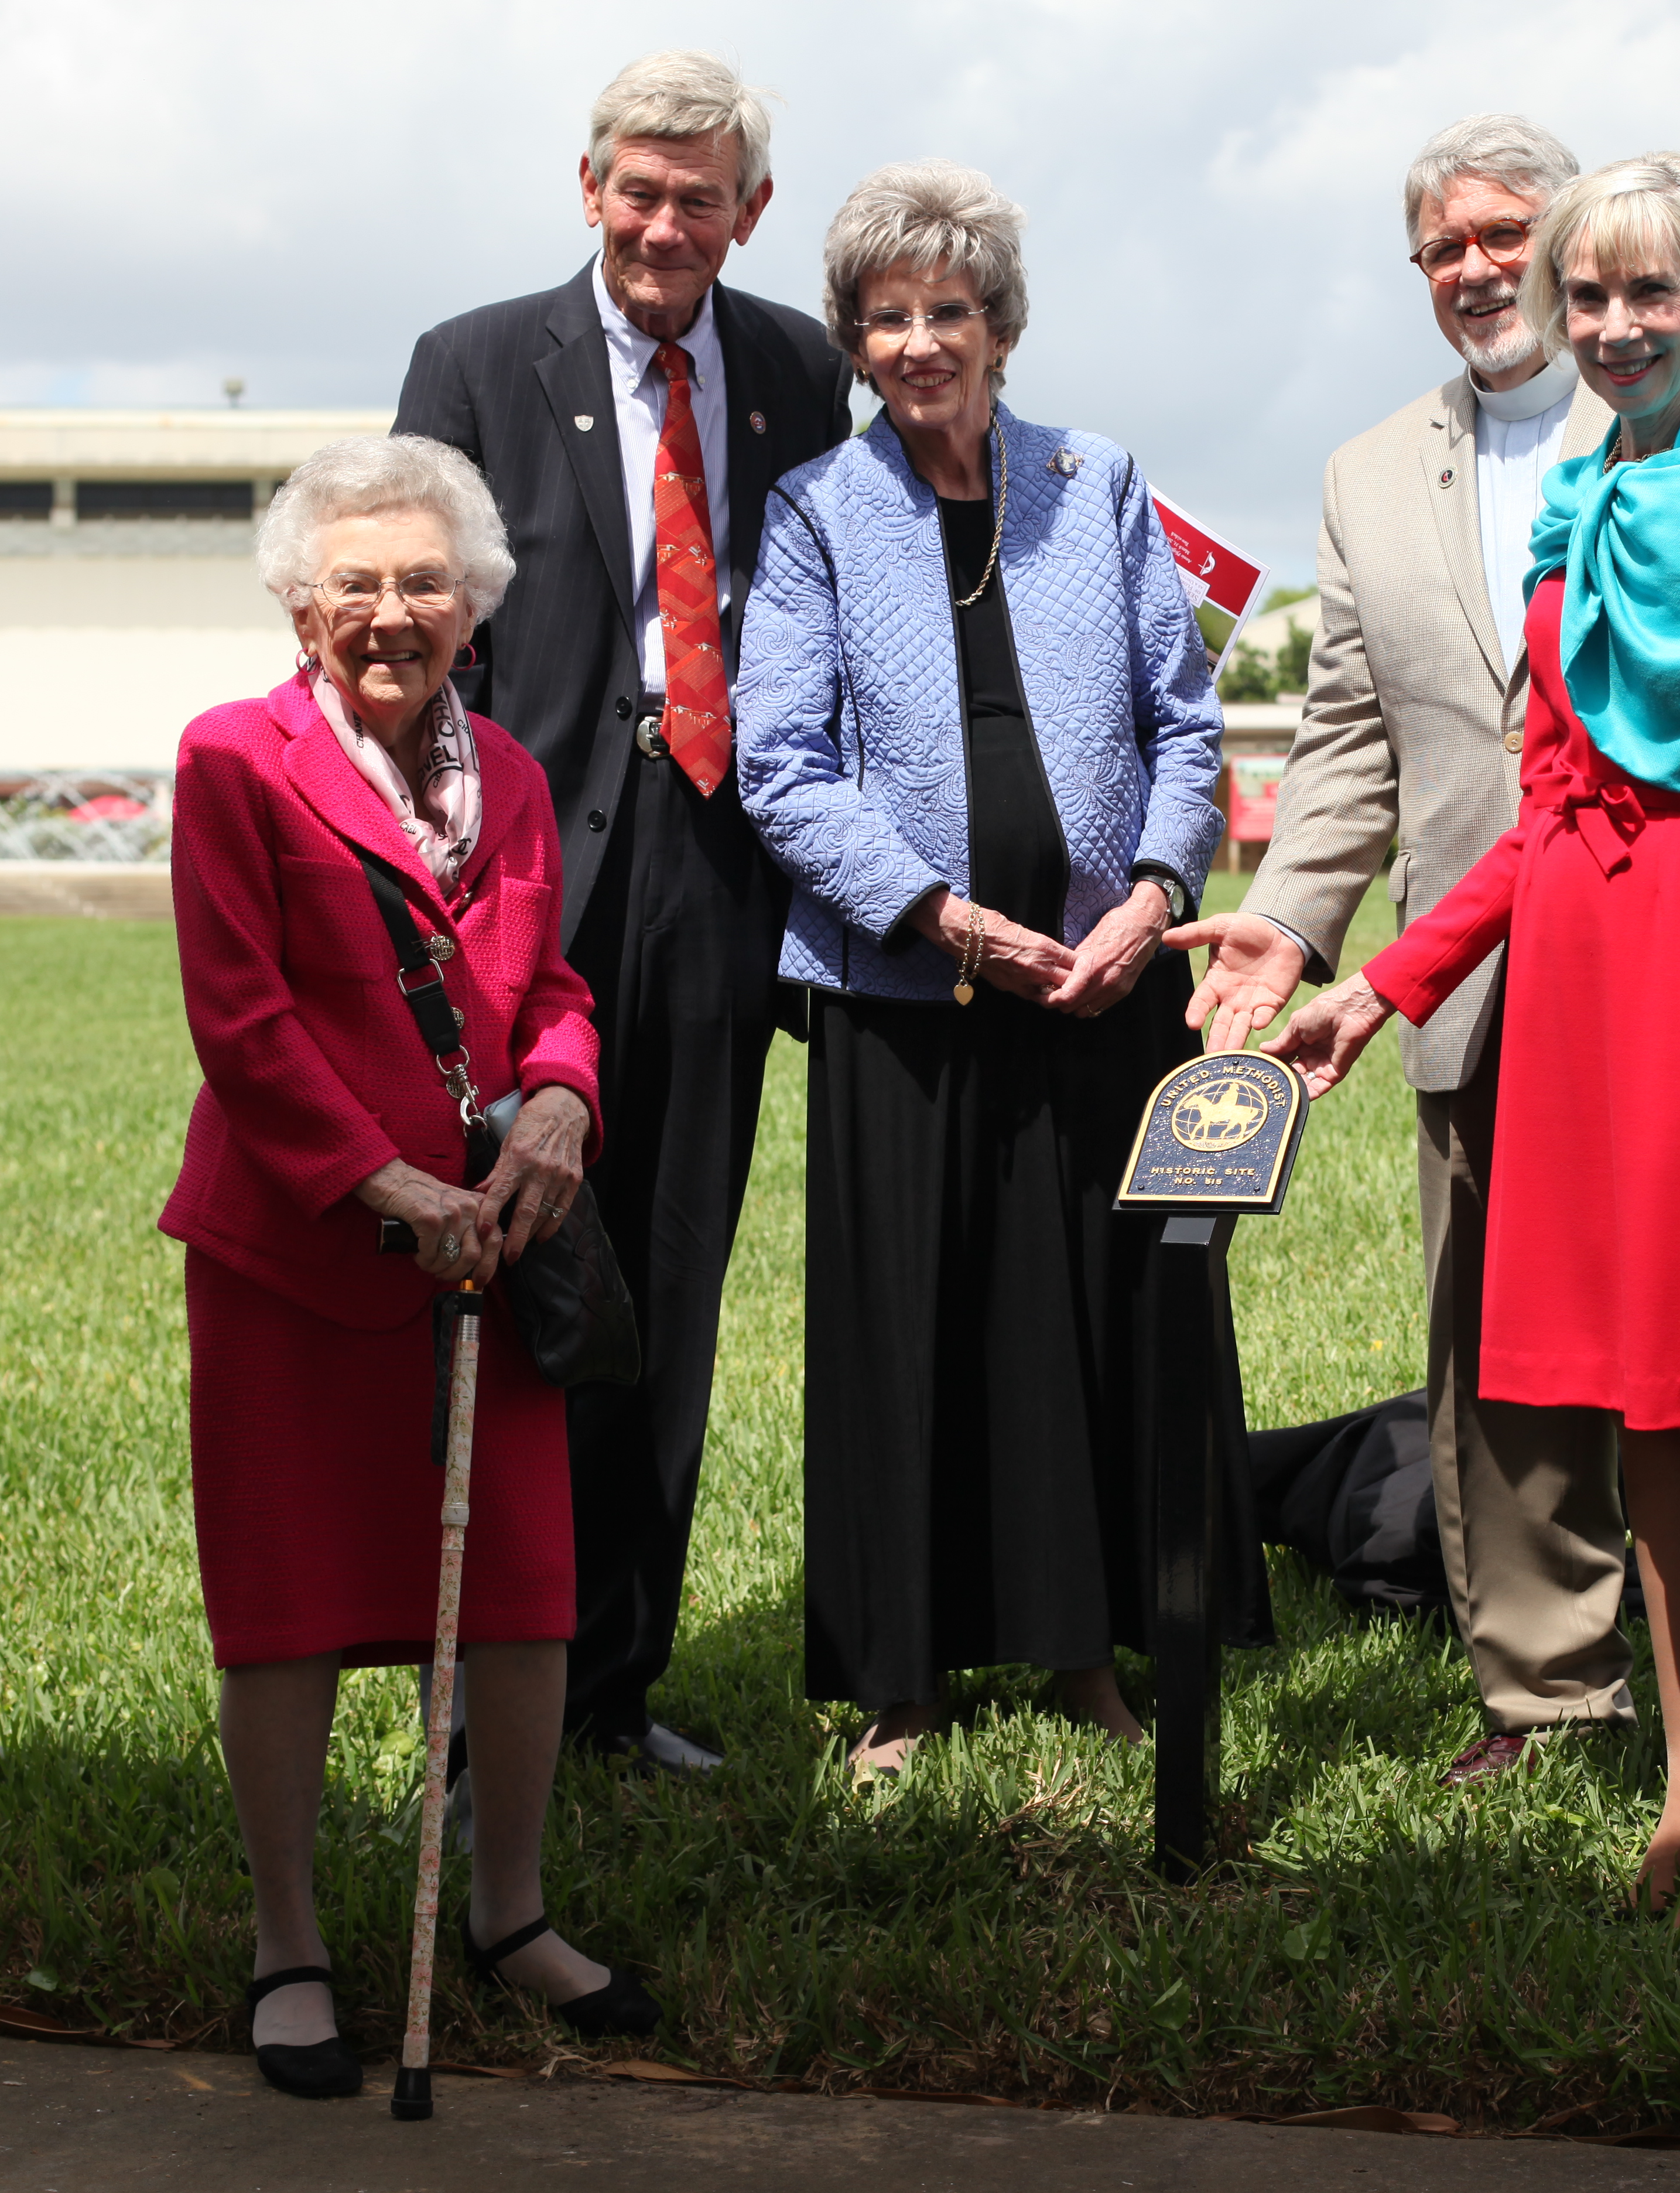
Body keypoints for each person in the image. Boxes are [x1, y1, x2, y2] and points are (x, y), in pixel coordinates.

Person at [1260, 154, 1680, 1915]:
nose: (1616, 328)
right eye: (1592, 300)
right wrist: (1387, 981)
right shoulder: (1586, 510)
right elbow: (1546, 814)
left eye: (1653, 294)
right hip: (1572, 996)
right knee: (1639, 1417)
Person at [159, 434, 662, 2097]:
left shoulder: (509, 777)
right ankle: (289, 1940)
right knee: (289, 1607)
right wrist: (380, 1183)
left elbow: (552, 994)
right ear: (303, 609)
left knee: (522, 1600)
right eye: (356, 583)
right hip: (302, 1254)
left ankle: (510, 1915)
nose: (392, 611)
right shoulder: (232, 761)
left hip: (488, 1252)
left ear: (475, 605)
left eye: (424, 581)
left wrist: (565, 1110)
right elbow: (242, 1017)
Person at [734, 160, 1233, 1778]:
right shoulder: (815, 510)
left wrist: (1152, 900)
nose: (920, 341)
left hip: (1104, 985)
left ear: (1003, 325)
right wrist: (944, 917)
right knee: (910, 1331)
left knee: (1095, 1319)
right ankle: (904, 1683)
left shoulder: (1097, 484)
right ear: (855, 343)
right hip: (909, 989)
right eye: (886, 318)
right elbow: (781, 768)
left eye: (949, 310)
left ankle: (1088, 1651)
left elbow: (1186, 721)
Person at [391, 52, 851, 1775]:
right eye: (640, 192)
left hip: (727, 858)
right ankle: (482, 1673)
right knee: (524, 1265)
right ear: (588, 189)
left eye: (703, 196)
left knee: (672, 1266)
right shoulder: (473, 361)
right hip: (530, 874)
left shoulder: (801, 367)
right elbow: (422, 632)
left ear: (752, 212)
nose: (668, 225)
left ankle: (611, 1686)